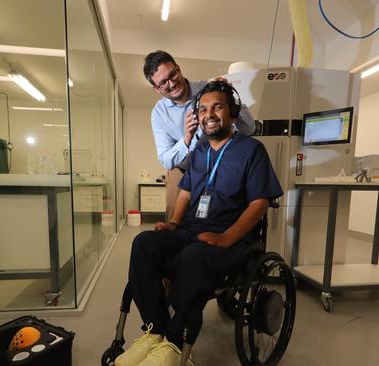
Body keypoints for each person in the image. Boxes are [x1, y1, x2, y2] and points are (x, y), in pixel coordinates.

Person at [115, 81, 282, 366]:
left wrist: (227, 238)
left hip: (232, 239)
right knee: (144, 243)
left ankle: (174, 342)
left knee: (194, 256)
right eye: (203, 109)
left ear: (231, 112)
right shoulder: (200, 151)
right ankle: (155, 331)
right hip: (191, 230)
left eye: (217, 107)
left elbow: (259, 203)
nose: (209, 114)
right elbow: (187, 192)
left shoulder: (251, 150)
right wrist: (174, 222)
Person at [143, 50, 255, 219]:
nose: (172, 84)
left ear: (178, 68)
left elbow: (248, 128)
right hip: (182, 173)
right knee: (175, 223)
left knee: (222, 220)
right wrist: (186, 139)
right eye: (163, 83)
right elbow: (166, 159)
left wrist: (229, 96)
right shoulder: (159, 113)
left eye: (173, 74)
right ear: (156, 88)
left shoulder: (208, 90)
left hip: (220, 170)